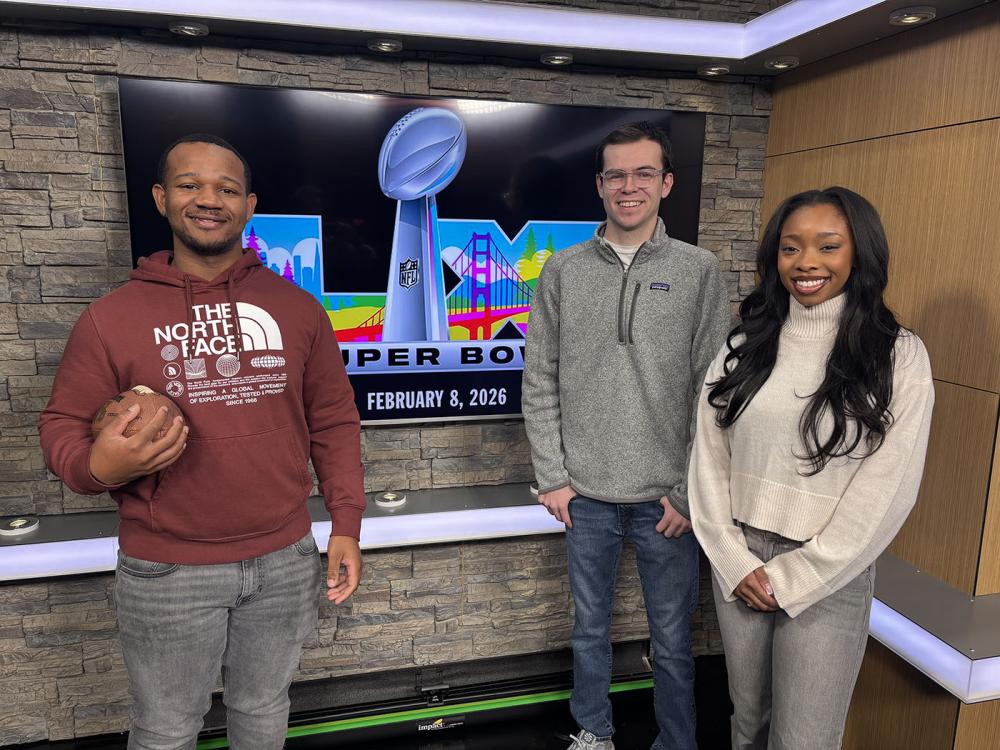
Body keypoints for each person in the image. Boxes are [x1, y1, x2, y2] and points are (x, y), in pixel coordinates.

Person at [38, 133, 365, 750]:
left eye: (226, 188)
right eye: (189, 184)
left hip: (284, 560)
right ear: (162, 198)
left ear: (249, 206)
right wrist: (97, 466)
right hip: (166, 569)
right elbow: (60, 425)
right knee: (164, 731)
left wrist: (344, 523)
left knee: (264, 710)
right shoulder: (111, 317)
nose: (208, 199)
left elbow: (334, 421)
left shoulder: (297, 309)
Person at [688, 187, 934, 750]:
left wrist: (792, 578)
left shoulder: (898, 356)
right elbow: (707, 456)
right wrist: (732, 558)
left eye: (827, 246)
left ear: (859, 254)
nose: (806, 263)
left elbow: (887, 489)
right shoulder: (745, 343)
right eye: (790, 248)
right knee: (747, 726)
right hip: (742, 560)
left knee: (803, 740)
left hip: (829, 572)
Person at [522, 121, 730, 750]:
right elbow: (541, 378)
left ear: (666, 184)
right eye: (617, 174)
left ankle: (677, 741)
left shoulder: (700, 271)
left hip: (666, 502)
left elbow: (715, 391)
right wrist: (553, 478)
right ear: (600, 186)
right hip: (584, 496)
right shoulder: (561, 270)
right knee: (589, 629)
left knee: (672, 639)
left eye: (644, 173)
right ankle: (593, 732)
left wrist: (687, 493)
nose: (629, 186)